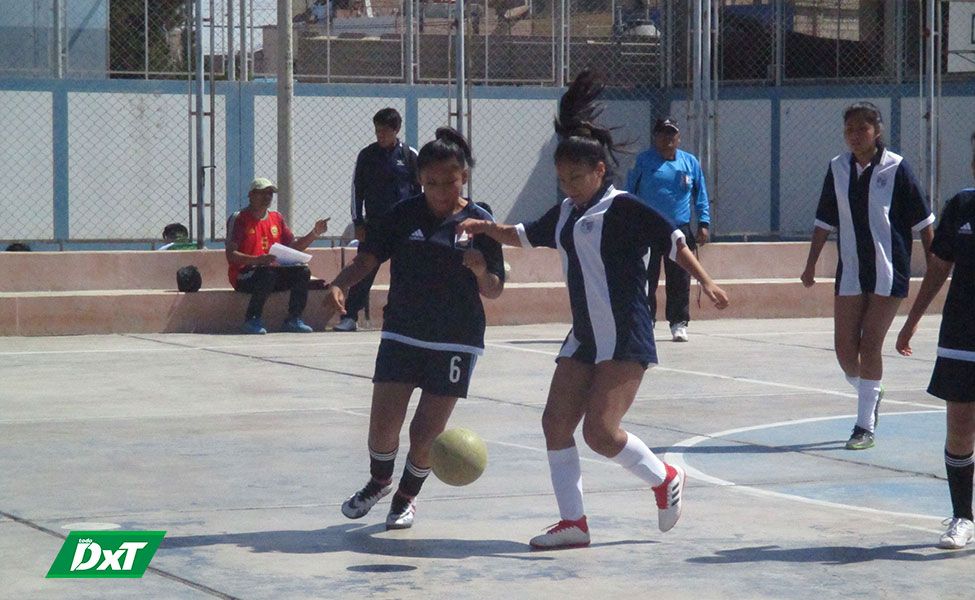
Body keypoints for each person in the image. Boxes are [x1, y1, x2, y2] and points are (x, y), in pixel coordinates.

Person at [456, 71, 729, 550]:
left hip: (625, 333)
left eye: (576, 178)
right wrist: (485, 226)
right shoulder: (565, 213)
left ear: (600, 171)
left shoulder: (623, 207)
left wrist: (706, 280)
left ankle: (664, 477)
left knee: (601, 433)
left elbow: (674, 241)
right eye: (562, 179)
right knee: (555, 425)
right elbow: (521, 234)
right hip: (584, 335)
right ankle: (573, 523)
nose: (569, 186)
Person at [327, 127, 504, 530]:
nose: (441, 189)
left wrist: (479, 269)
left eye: (450, 180)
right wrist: (340, 283)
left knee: (426, 431)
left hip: (456, 337)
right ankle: (379, 482)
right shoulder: (403, 214)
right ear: (420, 180)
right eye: (431, 182)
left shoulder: (480, 222)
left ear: (464, 177)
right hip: (403, 329)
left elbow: (494, 290)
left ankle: (406, 497)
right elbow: (368, 258)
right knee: (383, 425)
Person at [801, 102, 934, 450]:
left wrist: (936, 263)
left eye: (862, 128)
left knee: (870, 344)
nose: (855, 136)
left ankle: (863, 427)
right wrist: (811, 263)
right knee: (845, 350)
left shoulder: (897, 168)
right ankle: (871, 390)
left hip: (889, 270)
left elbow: (923, 222)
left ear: (877, 130)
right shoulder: (837, 168)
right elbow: (823, 219)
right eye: (849, 130)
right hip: (851, 271)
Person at [896, 132, 975, 550]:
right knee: (960, 430)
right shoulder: (962, 205)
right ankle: (962, 516)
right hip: (962, 334)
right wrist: (911, 323)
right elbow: (938, 268)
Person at [626, 116, 710, 342]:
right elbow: (629, 192)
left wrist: (703, 222)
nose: (667, 139)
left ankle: (679, 322)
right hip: (647, 227)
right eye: (663, 134)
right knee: (647, 277)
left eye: (672, 134)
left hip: (678, 228)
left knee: (680, 278)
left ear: (679, 137)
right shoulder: (642, 161)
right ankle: (647, 320)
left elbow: (700, 194)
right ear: (655, 137)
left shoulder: (690, 162)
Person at [337, 108, 421, 332]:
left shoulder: (410, 155)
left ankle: (398, 317)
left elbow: (420, 191)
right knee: (364, 269)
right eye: (377, 130)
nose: (380, 135)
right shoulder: (367, 155)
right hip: (375, 226)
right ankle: (349, 316)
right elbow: (357, 190)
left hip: (404, 226)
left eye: (384, 130)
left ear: (396, 130)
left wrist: (420, 223)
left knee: (403, 272)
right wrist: (358, 222)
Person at [226, 177, 330, 335]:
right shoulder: (240, 218)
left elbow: (293, 247)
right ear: (251, 195)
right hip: (245, 275)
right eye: (263, 193)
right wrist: (257, 260)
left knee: (302, 272)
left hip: (272, 272)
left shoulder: (276, 218)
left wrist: (315, 233)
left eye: (270, 194)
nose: (267, 197)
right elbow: (231, 255)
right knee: (266, 273)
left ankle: (294, 319)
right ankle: (252, 319)